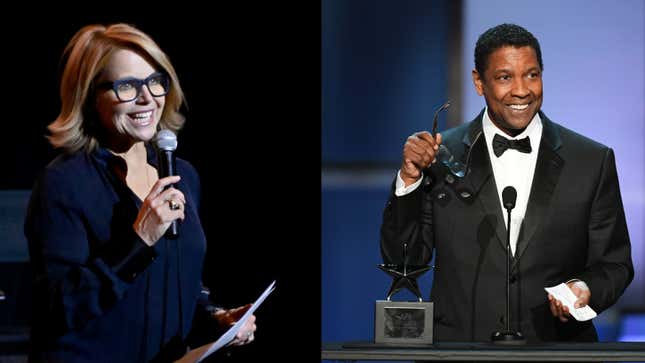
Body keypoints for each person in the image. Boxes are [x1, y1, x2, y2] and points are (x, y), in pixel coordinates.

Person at [380, 23, 633, 342]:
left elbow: (615, 265)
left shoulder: (591, 160)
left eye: (532, 74)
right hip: (460, 352)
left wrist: (584, 289)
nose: (521, 90)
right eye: (504, 77)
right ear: (478, 82)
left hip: (557, 350)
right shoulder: (439, 156)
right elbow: (405, 261)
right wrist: (409, 180)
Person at [24, 23, 257, 362]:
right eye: (127, 86)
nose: (148, 97)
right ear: (90, 97)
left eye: (154, 81)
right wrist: (138, 238)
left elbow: (176, 289)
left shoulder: (182, 176)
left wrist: (216, 319)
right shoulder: (63, 183)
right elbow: (62, 308)